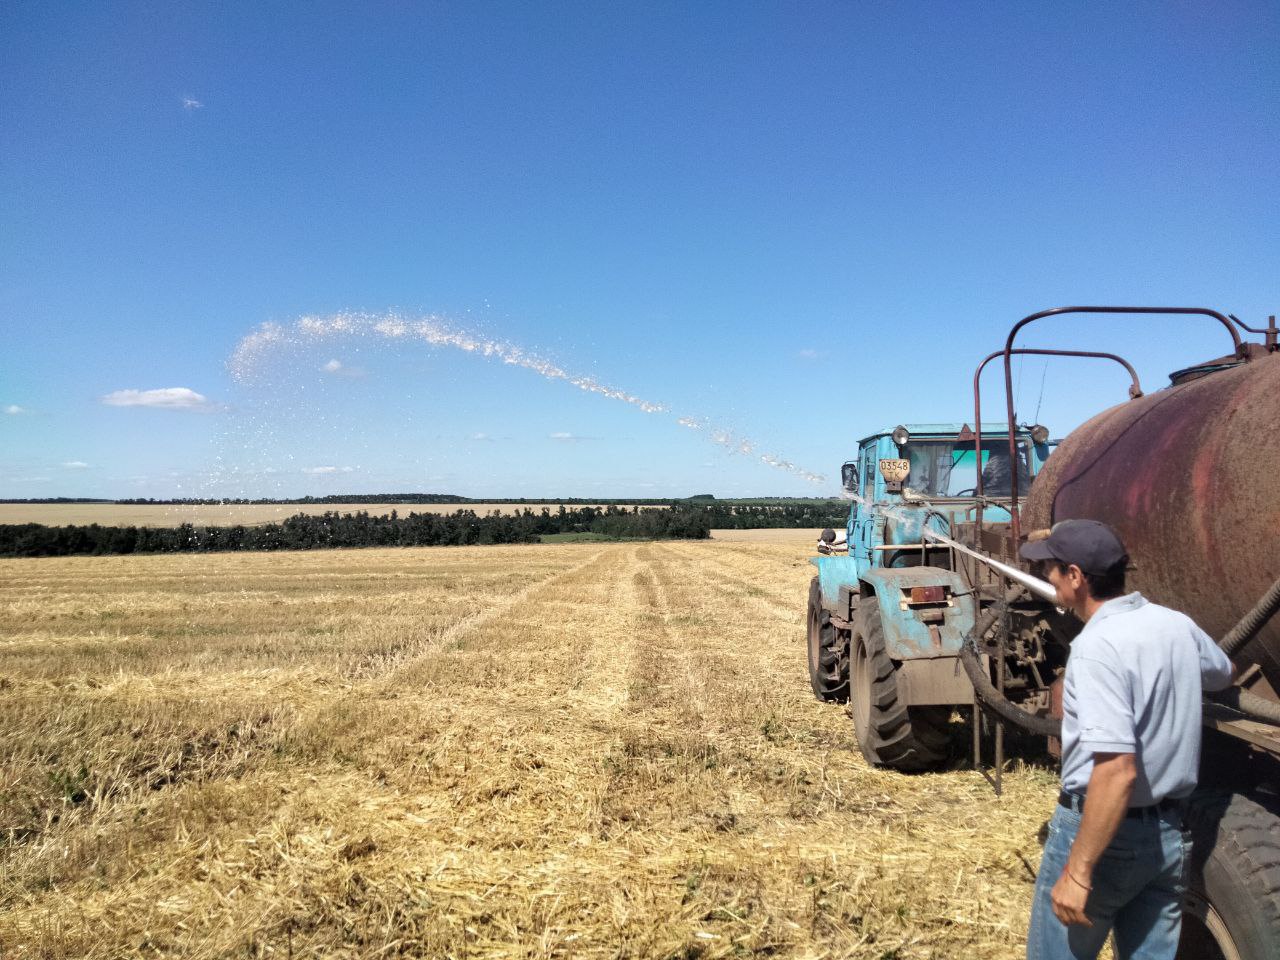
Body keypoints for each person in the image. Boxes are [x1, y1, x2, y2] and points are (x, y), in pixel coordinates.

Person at [1019, 519, 1234, 960]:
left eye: (1052, 570)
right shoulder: (1175, 624)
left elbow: (1116, 770)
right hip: (1169, 836)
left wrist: (1078, 873)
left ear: (1076, 576)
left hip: (1104, 836)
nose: (1047, 578)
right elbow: (1222, 672)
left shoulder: (1097, 646)